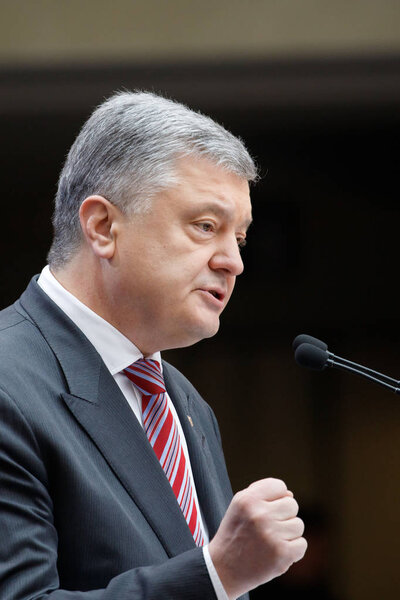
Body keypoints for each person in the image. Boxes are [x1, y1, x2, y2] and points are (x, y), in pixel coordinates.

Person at [0, 91, 306, 599]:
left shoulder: (184, 404)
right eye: (206, 226)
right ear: (103, 227)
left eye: (240, 238)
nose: (234, 261)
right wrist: (217, 574)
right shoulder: (9, 382)